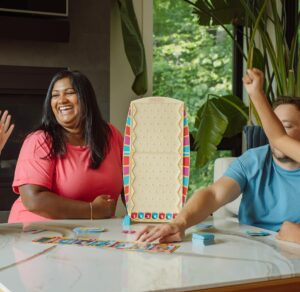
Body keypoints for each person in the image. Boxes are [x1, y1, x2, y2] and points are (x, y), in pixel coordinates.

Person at [136, 96, 300, 243]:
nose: (275, 135)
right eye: (273, 127)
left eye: (285, 127)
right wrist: (179, 223)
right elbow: (213, 194)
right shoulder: (253, 160)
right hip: (251, 248)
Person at [8, 70, 123, 223]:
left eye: (69, 93)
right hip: (38, 231)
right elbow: (33, 200)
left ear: (86, 98)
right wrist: (92, 210)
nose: (61, 100)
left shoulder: (111, 135)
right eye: (55, 95)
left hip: (93, 231)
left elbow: (132, 185)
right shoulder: (39, 140)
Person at [242, 67, 300, 244]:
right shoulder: (253, 160)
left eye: (288, 125)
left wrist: (256, 94)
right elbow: (278, 137)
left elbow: (279, 137)